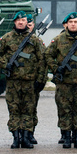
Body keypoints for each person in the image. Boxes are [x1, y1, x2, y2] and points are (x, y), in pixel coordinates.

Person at [46, 12, 77, 149]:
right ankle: (66, 137)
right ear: (66, 24)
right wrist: (56, 69)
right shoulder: (58, 40)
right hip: (64, 83)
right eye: (71, 22)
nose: (73, 24)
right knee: (64, 109)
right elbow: (48, 56)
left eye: (75, 22)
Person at [0, 11, 45, 148]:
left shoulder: (34, 40)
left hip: (30, 81)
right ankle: (16, 137)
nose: (21, 22)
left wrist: (41, 80)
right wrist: (6, 65)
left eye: (23, 20)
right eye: (18, 20)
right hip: (13, 82)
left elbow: (42, 60)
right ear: (14, 22)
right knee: (14, 109)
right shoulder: (6, 38)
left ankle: (26, 137)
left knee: (28, 110)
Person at [27, 14, 49, 144]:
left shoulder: (37, 41)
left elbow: (43, 62)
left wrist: (41, 80)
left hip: (33, 80)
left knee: (32, 108)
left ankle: (30, 133)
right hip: (19, 80)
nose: (28, 27)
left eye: (30, 25)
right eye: (26, 24)